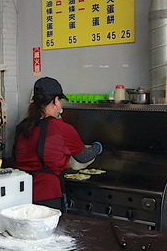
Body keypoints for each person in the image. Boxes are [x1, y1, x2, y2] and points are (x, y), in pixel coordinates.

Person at [15, 77, 102, 211]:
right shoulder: (61, 128)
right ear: (55, 101)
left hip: (20, 193)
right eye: (60, 100)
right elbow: (84, 156)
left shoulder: (22, 126)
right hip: (48, 194)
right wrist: (97, 147)